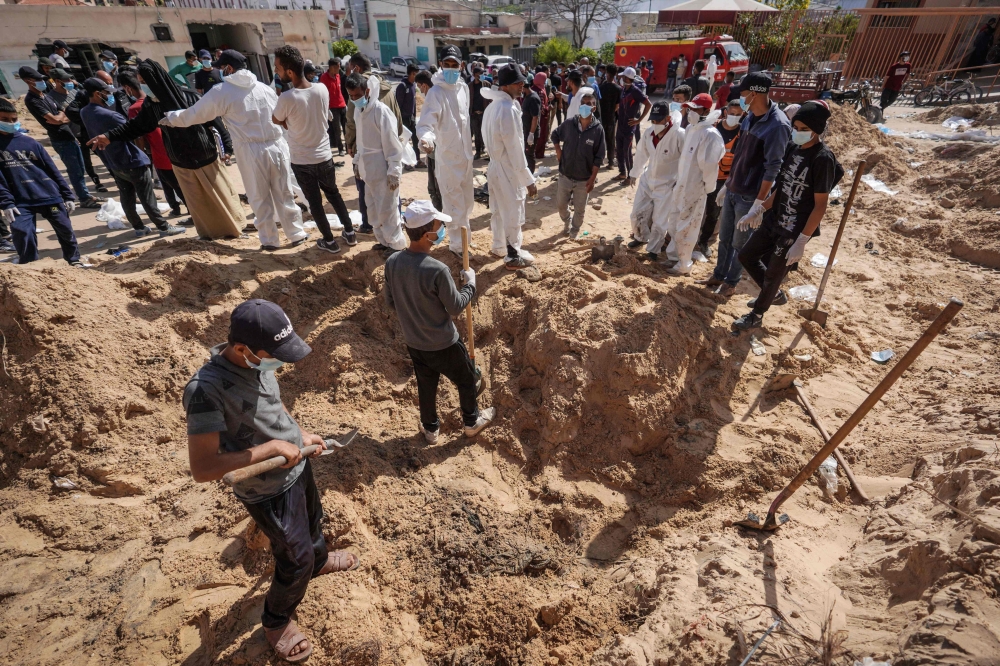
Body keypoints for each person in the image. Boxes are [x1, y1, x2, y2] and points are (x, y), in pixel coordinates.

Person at [183, 299, 359, 664]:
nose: (278, 360)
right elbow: (203, 467)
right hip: (267, 490)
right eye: (273, 353)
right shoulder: (205, 391)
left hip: (297, 468)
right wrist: (270, 449)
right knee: (294, 561)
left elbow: (273, 410)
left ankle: (321, 559)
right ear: (241, 349)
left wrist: (299, 435)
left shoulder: (259, 363)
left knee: (314, 524)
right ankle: (276, 620)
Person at [159, 50, 307, 251]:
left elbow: (196, 114)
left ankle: (270, 241)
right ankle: (296, 233)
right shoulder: (264, 88)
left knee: (258, 195)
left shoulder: (222, 91)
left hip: (251, 149)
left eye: (221, 67)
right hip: (277, 145)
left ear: (228, 68)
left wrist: (173, 118)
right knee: (284, 192)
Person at [90, 59, 243, 240]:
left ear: (157, 81)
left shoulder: (190, 96)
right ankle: (210, 234)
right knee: (197, 204)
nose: (143, 87)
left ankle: (233, 231)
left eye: (145, 82)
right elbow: (136, 127)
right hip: (180, 161)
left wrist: (228, 146)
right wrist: (108, 136)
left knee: (220, 198)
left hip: (205, 156)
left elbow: (216, 122)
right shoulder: (152, 105)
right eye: (141, 83)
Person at [384, 200, 495, 443]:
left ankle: (431, 429)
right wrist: (471, 285)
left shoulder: (392, 262)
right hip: (444, 342)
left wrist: (415, 313)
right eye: (438, 225)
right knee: (466, 379)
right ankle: (471, 421)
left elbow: (392, 302)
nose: (442, 228)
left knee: (426, 385)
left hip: (415, 343)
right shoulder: (437, 270)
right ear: (427, 234)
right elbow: (456, 307)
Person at [734, 101, 843, 330]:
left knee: (774, 273)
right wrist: (760, 209)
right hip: (775, 219)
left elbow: (820, 205)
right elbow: (781, 187)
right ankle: (772, 294)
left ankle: (757, 314)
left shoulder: (822, 159)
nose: (798, 132)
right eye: (796, 127)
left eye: (804, 129)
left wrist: (802, 240)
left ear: (816, 130)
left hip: (794, 229)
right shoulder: (793, 149)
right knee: (747, 256)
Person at [702, 71, 791, 296]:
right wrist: (728, 184)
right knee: (724, 239)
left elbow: (773, 168)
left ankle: (731, 282)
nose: (740, 98)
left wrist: (758, 204)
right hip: (734, 189)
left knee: (740, 245)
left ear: (754, 93)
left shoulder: (778, 125)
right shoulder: (749, 116)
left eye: (742, 94)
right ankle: (719, 275)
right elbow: (740, 153)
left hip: (749, 196)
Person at [272, 45, 355, 254]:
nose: (276, 72)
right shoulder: (321, 89)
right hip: (324, 156)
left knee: (315, 203)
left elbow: (276, 119)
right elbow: (322, 114)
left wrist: (289, 123)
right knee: (333, 193)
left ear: (289, 72)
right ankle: (350, 232)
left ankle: (329, 241)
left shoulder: (287, 98)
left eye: (278, 68)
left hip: (302, 161)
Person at [80, 77, 186, 239]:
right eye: (106, 93)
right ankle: (163, 227)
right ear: (96, 93)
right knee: (147, 197)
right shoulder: (112, 116)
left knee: (126, 196)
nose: (109, 96)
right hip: (132, 160)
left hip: (114, 162)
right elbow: (133, 132)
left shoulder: (85, 112)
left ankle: (139, 227)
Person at [0, 98, 83, 264]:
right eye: (5, 120)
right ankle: (30, 265)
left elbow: (52, 169)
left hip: (49, 196)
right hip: (20, 201)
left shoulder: (30, 142)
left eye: (14, 119)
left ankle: (74, 260)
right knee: (21, 232)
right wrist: (6, 203)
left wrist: (67, 194)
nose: (11, 123)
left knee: (65, 229)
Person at [648, 93, 724, 275]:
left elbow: (710, 166)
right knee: (674, 222)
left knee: (688, 227)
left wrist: (707, 188)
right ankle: (674, 257)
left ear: (706, 110)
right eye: (690, 108)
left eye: (696, 109)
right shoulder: (691, 128)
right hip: (681, 186)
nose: (691, 112)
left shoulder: (711, 135)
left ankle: (684, 264)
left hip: (695, 188)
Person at [417, 45, 475, 258]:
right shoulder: (436, 92)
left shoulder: (463, 89)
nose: (451, 69)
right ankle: (459, 248)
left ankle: (465, 241)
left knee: (467, 204)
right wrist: (427, 139)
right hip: (448, 161)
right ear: (441, 65)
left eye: (455, 65)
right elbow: (426, 123)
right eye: (446, 65)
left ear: (461, 66)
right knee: (454, 206)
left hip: (466, 159)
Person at [19, 66, 102, 209]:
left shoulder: (46, 96)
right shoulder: (32, 100)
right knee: (74, 170)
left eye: (41, 79)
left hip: (68, 135)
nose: (41, 82)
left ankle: (86, 195)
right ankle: (83, 198)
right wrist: (60, 118)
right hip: (60, 139)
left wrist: (60, 117)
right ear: (28, 81)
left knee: (80, 169)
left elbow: (64, 113)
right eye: (37, 80)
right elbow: (55, 119)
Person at [481, 65, 538, 269]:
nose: (522, 84)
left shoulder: (493, 106)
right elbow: (514, 148)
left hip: (495, 166)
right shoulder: (506, 109)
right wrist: (528, 179)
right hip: (506, 167)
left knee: (498, 209)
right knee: (513, 208)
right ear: (505, 86)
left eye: (523, 81)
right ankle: (513, 255)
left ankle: (500, 247)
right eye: (517, 82)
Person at [345, 73, 408, 258]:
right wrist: (357, 162)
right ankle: (384, 241)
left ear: (367, 91)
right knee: (373, 209)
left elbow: (392, 144)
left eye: (357, 95)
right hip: (368, 172)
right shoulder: (359, 111)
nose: (354, 99)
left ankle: (396, 246)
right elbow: (362, 142)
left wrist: (394, 171)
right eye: (351, 96)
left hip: (383, 171)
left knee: (388, 210)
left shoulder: (381, 112)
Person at [117, 70, 187, 220]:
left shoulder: (135, 109)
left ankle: (184, 210)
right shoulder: (158, 100)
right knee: (174, 182)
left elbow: (139, 136)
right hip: (174, 148)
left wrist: (140, 154)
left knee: (170, 183)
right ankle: (179, 208)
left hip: (159, 151)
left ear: (127, 88)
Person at [626, 101, 684, 251]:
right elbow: (641, 154)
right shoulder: (648, 133)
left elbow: (686, 161)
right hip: (648, 179)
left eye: (659, 120)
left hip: (667, 184)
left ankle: (653, 249)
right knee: (637, 213)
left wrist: (681, 182)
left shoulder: (679, 135)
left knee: (659, 221)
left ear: (668, 119)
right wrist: (634, 173)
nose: (656, 123)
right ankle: (640, 237)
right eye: (653, 120)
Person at [551, 89, 605, 238]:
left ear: (594, 108)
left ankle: (574, 230)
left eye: (589, 104)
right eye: (583, 103)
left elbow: (599, 157)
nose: (585, 106)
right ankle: (566, 221)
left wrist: (592, 179)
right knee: (561, 205)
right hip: (565, 174)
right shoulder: (569, 124)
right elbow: (554, 135)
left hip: (584, 179)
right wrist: (558, 150)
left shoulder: (598, 130)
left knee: (580, 210)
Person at [697, 98, 742, 259]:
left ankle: (703, 241)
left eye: (738, 114)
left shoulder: (742, 133)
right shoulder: (712, 127)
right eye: (732, 113)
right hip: (703, 175)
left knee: (713, 212)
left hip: (724, 179)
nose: (734, 117)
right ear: (725, 112)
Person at [614, 67, 651, 182]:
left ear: (627, 78)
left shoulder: (635, 91)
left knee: (627, 151)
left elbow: (648, 104)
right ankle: (622, 173)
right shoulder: (624, 89)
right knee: (619, 150)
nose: (620, 78)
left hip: (629, 127)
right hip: (620, 125)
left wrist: (639, 120)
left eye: (623, 76)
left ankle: (630, 176)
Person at [414, 71, 443, 212]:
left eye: (420, 86)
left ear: (425, 86)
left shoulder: (435, 99)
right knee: (433, 187)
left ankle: (441, 215)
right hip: (433, 152)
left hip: (438, 153)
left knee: (437, 188)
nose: (420, 90)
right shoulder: (434, 99)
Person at [396, 64, 422, 168]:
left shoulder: (413, 86)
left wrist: (414, 116)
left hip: (411, 118)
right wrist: (400, 121)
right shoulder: (402, 86)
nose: (416, 77)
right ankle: (406, 163)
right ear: (410, 74)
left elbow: (414, 103)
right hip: (403, 119)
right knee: (405, 141)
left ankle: (417, 160)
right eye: (415, 74)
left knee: (416, 139)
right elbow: (397, 105)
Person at [319, 58, 348, 157]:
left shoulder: (338, 76)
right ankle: (340, 149)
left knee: (346, 128)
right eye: (337, 67)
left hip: (342, 105)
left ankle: (348, 147)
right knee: (337, 130)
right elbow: (322, 94)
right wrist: (326, 108)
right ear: (332, 67)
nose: (339, 69)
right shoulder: (324, 78)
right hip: (332, 107)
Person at [599, 64, 621, 170]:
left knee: (600, 139)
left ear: (606, 73)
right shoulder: (618, 88)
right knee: (611, 140)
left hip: (601, 117)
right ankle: (611, 162)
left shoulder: (601, 87)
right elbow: (618, 106)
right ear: (615, 74)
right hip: (611, 118)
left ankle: (599, 161)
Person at [519, 73, 541, 175]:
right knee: (526, 154)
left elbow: (535, 117)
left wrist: (531, 134)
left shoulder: (533, 98)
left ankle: (531, 176)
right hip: (526, 130)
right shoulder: (527, 97)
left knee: (529, 155)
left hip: (531, 132)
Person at [531, 71, 551, 161]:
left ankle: (536, 151)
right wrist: (548, 108)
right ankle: (539, 153)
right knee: (541, 134)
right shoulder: (539, 91)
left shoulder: (534, 88)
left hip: (534, 116)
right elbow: (541, 107)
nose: (545, 81)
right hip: (541, 117)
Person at [469, 66, 487, 160]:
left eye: (481, 74)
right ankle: (478, 152)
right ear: (474, 75)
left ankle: (484, 148)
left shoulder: (486, 84)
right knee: (476, 134)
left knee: (484, 133)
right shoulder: (470, 86)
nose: (480, 76)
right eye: (478, 74)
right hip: (474, 114)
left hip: (484, 113)